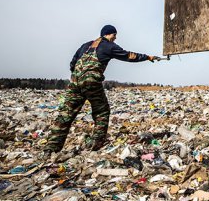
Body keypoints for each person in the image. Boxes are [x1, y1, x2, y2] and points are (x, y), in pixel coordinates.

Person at [44, 24, 155, 154]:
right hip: (91, 81)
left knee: (66, 114)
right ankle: (96, 144)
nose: (115, 37)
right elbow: (129, 56)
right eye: (114, 34)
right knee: (101, 111)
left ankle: (51, 148)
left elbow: (73, 63)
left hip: (75, 82)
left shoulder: (85, 45)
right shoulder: (109, 46)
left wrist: (78, 77)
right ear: (108, 34)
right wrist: (147, 57)